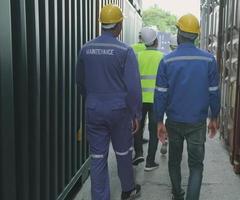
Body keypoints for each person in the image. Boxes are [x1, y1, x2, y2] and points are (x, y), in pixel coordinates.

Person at [76, 5, 142, 200]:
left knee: (97, 157)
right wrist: (135, 113)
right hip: (119, 111)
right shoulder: (125, 51)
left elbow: (80, 81)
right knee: (123, 152)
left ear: (101, 25)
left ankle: (99, 197)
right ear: (119, 25)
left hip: (94, 109)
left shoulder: (86, 49)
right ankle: (127, 190)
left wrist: (91, 100)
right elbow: (133, 88)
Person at [154, 13, 220, 200]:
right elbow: (214, 92)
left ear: (179, 33)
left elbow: (160, 94)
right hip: (197, 122)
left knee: (174, 161)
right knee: (196, 165)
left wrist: (159, 120)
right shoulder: (209, 60)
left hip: (174, 121)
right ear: (196, 35)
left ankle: (177, 194)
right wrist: (214, 117)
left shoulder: (167, 61)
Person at [132, 27, 164, 171]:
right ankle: (150, 162)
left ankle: (138, 152)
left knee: (137, 127)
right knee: (154, 130)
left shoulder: (137, 56)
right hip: (156, 100)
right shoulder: (162, 57)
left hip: (140, 99)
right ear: (156, 41)